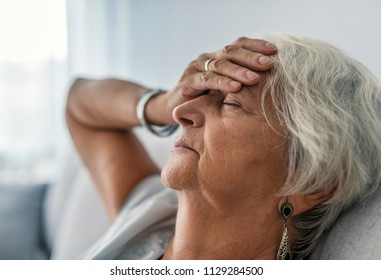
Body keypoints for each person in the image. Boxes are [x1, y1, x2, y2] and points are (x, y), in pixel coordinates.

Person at [66, 34, 381, 260]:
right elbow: (78, 104)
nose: (181, 113)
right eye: (200, 94)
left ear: (314, 180)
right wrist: (160, 103)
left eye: (231, 102)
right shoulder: (147, 215)